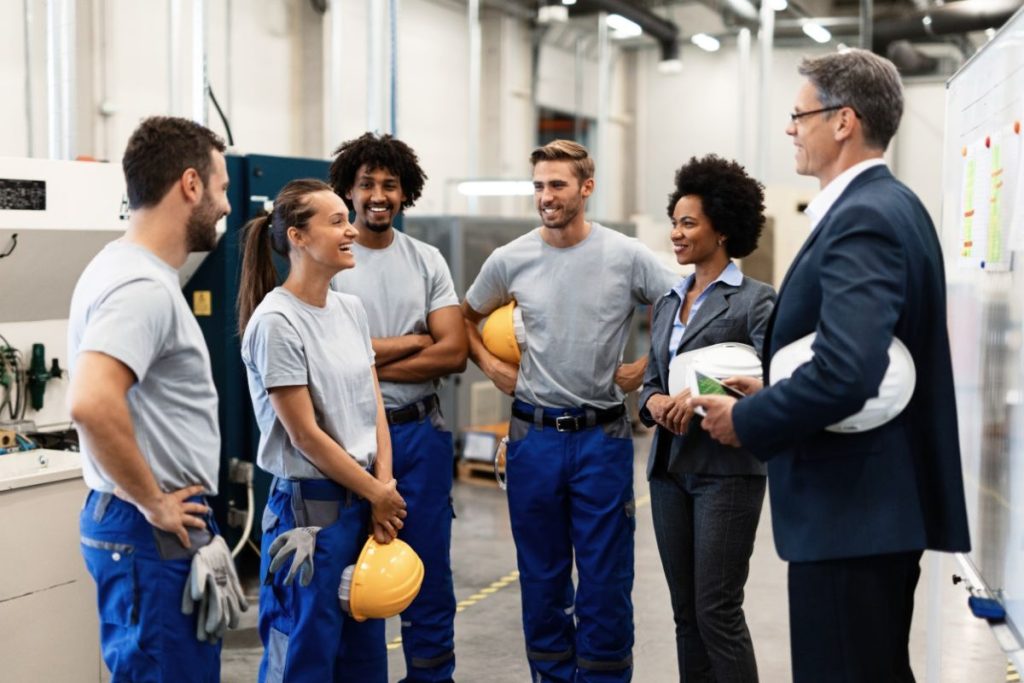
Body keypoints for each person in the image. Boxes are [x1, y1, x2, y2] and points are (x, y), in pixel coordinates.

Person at [691, 49, 971, 682]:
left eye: (799, 114)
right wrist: (778, 384)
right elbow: (863, 354)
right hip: (871, 512)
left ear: (843, 121)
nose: (791, 128)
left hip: (852, 513)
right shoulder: (893, 204)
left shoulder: (864, 217)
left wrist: (753, 417)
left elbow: (849, 371)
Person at [462, 139, 677, 682]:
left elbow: (683, 308)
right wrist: (491, 367)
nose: (545, 197)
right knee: (542, 579)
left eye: (557, 185)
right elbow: (464, 318)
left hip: (600, 439)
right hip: (533, 439)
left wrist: (644, 369)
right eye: (538, 186)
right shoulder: (510, 259)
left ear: (586, 187)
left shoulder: (625, 255)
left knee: (605, 581)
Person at [67, 115, 244, 681]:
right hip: (149, 531)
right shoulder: (142, 287)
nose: (224, 207)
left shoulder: (119, 268)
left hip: (144, 528)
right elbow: (92, 402)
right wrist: (155, 502)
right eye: (220, 189)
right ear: (189, 184)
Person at [237, 179, 407, 682]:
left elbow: (373, 404)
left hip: (363, 501)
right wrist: (375, 493)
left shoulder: (350, 310)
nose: (351, 229)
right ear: (298, 237)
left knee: (363, 659)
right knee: (304, 656)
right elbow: (305, 435)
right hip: (309, 512)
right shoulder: (276, 322)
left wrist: (383, 488)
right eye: (337, 221)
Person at [328, 132, 467, 683]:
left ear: (406, 193)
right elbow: (325, 355)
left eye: (389, 184)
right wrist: (414, 341)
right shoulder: (331, 256)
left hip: (418, 437)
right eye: (367, 184)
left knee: (428, 573)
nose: (378, 195)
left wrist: (363, 362)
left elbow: (453, 352)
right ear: (348, 191)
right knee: (349, 577)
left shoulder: (426, 260)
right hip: (346, 440)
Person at [638, 155, 775, 682]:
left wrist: (694, 398)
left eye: (688, 222)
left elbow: (773, 385)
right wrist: (656, 404)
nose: (676, 232)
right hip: (670, 470)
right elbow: (652, 383)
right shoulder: (669, 302)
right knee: (685, 614)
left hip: (728, 472)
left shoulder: (757, 302)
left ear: (722, 228)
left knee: (717, 610)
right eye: (673, 221)